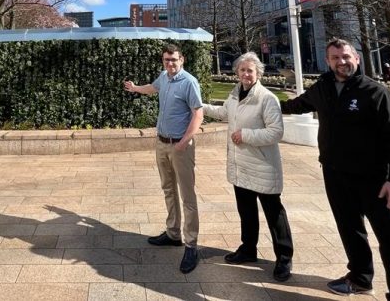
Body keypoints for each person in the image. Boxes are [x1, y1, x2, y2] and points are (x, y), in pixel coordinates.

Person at [281, 38, 390, 300]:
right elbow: (295, 106)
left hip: (375, 179)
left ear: (356, 58)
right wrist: (259, 104)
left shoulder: (376, 93)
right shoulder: (324, 88)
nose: (341, 62)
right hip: (335, 174)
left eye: (345, 57)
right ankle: (360, 278)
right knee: (350, 229)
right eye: (335, 58)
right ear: (328, 62)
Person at [202, 51, 294, 282]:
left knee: (274, 214)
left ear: (258, 73)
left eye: (250, 70)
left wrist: (246, 135)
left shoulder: (266, 98)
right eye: (242, 70)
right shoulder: (234, 95)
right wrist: (200, 107)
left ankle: (284, 258)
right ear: (237, 73)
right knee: (246, 210)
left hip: (263, 166)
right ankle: (248, 249)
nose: (245, 74)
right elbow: (223, 113)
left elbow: (276, 132)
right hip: (240, 164)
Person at [124, 43, 204, 274]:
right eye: (166, 60)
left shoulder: (189, 82)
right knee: (168, 189)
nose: (170, 64)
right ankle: (173, 234)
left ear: (182, 60)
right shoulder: (164, 77)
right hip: (161, 143)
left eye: (174, 60)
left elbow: (198, 113)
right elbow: (153, 88)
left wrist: (184, 142)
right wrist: (135, 88)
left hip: (180, 146)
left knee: (187, 196)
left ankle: (191, 245)